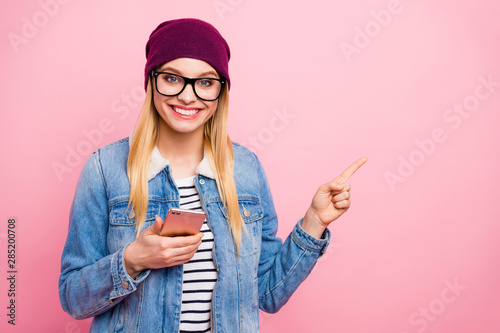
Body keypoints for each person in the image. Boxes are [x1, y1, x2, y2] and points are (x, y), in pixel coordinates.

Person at [58, 18, 366, 333]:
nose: (188, 97)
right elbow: (73, 298)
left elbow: (268, 293)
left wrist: (315, 222)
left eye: (205, 82)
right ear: (151, 82)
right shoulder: (105, 169)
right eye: (172, 78)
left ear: (221, 92)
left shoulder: (245, 168)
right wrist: (132, 260)